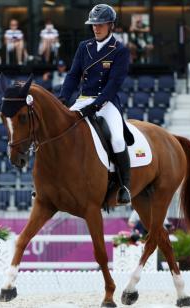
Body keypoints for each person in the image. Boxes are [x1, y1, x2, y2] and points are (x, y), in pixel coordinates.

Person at [58, 4, 132, 206]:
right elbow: (73, 75)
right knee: (59, 132)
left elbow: (114, 84)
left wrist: (96, 105)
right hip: (83, 99)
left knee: (117, 140)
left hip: (106, 102)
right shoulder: (84, 47)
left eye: (100, 24)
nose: (96, 28)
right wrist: (63, 98)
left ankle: (124, 186)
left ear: (111, 25)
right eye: (93, 24)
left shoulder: (120, 50)